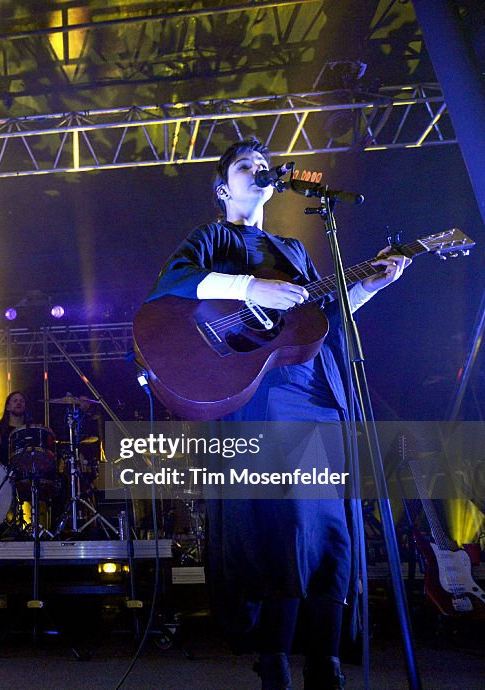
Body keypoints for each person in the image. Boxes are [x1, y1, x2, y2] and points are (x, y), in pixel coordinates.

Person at [145, 138, 410, 689]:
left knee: (332, 524)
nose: (258, 170)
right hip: (264, 394)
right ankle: (274, 662)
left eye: (263, 165)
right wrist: (251, 286)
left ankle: (325, 662)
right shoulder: (212, 237)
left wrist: (369, 286)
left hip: (317, 388)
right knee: (288, 520)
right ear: (224, 186)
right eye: (245, 166)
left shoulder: (294, 248)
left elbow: (320, 319)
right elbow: (172, 284)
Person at [0, 390, 30, 465]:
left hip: (27, 470)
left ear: (25, 406)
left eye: (21, 401)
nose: (18, 403)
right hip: (3, 472)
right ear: (8, 407)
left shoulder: (31, 428)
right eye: (15, 401)